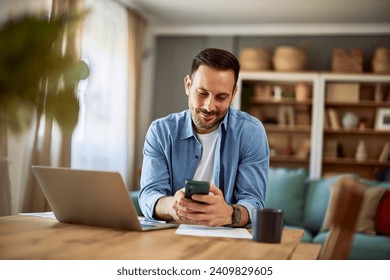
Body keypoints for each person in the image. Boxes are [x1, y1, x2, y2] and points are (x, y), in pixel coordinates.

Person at [139, 48, 269, 227]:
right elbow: (149, 194)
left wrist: (230, 214)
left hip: (225, 238)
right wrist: (172, 206)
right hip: (172, 234)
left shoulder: (251, 133)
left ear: (233, 94)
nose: (209, 106)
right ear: (188, 85)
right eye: (202, 93)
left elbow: (254, 202)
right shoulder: (160, 132)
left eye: (221, 97)